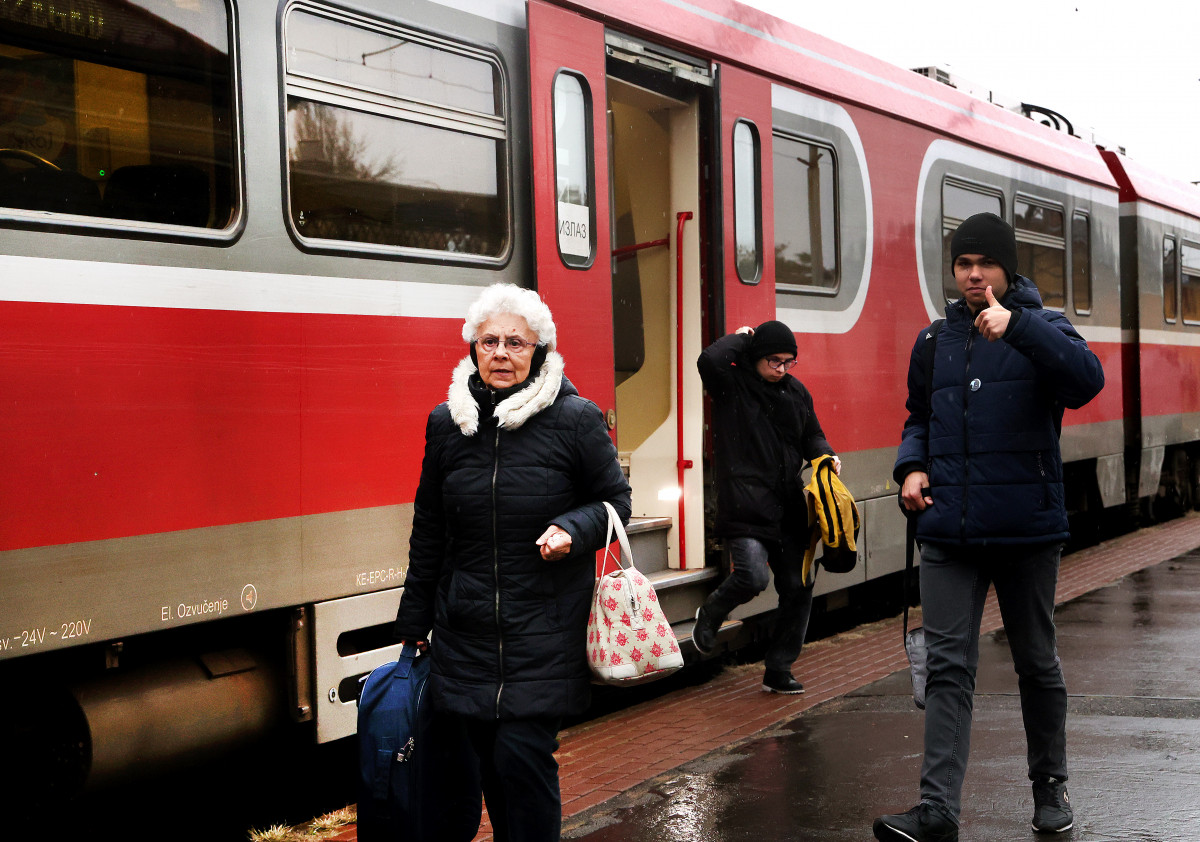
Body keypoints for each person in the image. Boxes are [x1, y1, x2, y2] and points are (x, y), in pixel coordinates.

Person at [873, 213, 1105, 842]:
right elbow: (918, 416)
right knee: (949, 667)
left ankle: (1050, 786)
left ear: (1008, 269)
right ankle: (937, 811)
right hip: (948, 529)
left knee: (1036, 661)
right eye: (963, 264)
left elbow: (1088, 382)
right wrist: (912, 466)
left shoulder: (1044, 327)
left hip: (1027, 529)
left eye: (986, 264)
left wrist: (1021, 327)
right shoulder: (934, 342)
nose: (974, 275)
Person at [393, 283, 632, 842]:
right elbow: (429, 526)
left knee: (520, 763)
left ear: (539, 350)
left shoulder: (576, 419)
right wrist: (413, 622)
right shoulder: (448, 423)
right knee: (475, 767)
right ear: (473, 348)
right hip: (465, 627)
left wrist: (573, 530)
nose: (501, 353)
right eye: (490, 341)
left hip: (541, 626)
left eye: (516, 343)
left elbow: (616, 503)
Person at [692, 320, 841, 694]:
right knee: (753, 576)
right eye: (773, 360)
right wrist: (744, 337)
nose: (780, 369)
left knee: (798, 585)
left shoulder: (796, 392)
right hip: (745, 506)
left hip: (789, 507)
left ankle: (779, 668)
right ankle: (710, 613)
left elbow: (813, 435)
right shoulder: (731, 387)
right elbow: (709, 360)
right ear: (755, 356)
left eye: (788, 362)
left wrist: (826, 455)